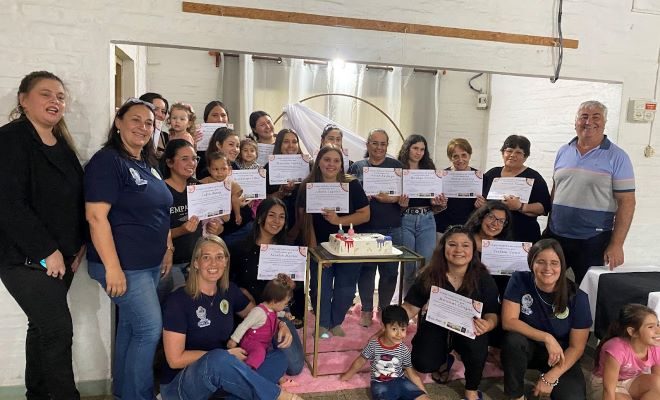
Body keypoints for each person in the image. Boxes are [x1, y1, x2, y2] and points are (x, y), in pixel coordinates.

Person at [0, 71, 86, 400]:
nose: (55, 101)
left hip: (61, 259)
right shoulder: (10, 139)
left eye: (60, 96)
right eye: (46, 94)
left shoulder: (61, 144)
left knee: (40, 329)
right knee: (56, 330)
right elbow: (8, 204)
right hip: (24, 258)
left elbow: (73, 199)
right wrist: (46, 249)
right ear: (23, 100)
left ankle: (36, 395)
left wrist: (78, 245)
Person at [85, 97, 174, 400]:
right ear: (119, 123)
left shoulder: (148, 164)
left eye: (149, 123)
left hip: (148, 264)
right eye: (135, 119)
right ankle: (140, 395)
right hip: (123, 265)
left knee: (131, 328)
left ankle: (124, 392)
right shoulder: (108, 161)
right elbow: (96, 217)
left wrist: (167, 246)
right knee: (149, 329)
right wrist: (112, 267)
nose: (143, 127)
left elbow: (159, 210)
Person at [160, 235, 302, 400]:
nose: (214, 263)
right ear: (196, 263)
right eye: (207, 257)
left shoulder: (229, 291)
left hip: (222, 376)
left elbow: (258, 315)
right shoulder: (178, 300)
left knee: (278, 358)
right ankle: (278, 396)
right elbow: (175, 360)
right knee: (218, 359)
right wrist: (226, 357)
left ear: (226, 262)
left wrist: (280, 324)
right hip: (182, 384)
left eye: (219, 257)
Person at [402, 225, 499, 400]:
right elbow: (410, 307)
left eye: (465, 245)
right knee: (422, 363)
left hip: (470, 330)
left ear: (473, 249)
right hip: (435, 327)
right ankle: (443, 360)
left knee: (478, 347)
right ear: (443, 247)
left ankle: (471, 389)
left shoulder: (483, 278)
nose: (458, 250)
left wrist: (488, 324)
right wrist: (390, 323)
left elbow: (493, 313)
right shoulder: (429, 275)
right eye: (452, 244)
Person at [545, 100, 636, 284]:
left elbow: (628, 202)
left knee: (586, 292)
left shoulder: (617, 157)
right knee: (546, 285)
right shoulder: (564, 151)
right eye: (584, 117)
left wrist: (616, 244)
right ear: (576, 121)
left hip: (593, 240)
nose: (589, 122)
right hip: (556, 235)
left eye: (596, 117)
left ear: (604, 122)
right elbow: (557, 188)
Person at [501, 238, 592, 400]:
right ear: (531, 263)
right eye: (541, 262)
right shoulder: (519, 280)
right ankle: (515, 396)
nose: (548, 268)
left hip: (561, 354)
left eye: (554, 263)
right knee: (513, 340)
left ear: (562, 266)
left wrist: (550, 378)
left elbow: (577, 348)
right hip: (528, 347)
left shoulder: (578, 297)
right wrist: (547, 337)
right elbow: (509, 321)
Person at [296, 145, 370, 338]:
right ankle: (322, 323)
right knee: (321, 287)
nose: (331, 164)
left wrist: (339, 221)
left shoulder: (352, 185)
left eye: (336, 161)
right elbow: (306, 222)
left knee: (345, 289)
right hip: (321, 246)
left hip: (348, 247)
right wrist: (315, 251)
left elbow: (365, 215)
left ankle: (336, 321)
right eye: (327, 159)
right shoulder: (308, 186)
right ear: (318, 162)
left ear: (342, 164)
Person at [230, 198, 305, 375]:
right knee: (253, 356)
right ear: (260, 217)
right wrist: (241, 294)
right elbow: (229, 284)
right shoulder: (240, 247)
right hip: (250, 312)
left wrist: (292, 285)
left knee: (294, 366)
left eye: (281, 217)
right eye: (271, 215)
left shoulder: (288, 249)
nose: (276, 221)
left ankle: (269, 344)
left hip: (277, 313)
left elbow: (299, 286)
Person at [348, 129, 404, 327]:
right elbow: (349, 197)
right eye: (375, 143)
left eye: (383, 144)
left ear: (387, 146)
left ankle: (384, 309)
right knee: (366, 270)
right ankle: (365, 309)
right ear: (367, 144)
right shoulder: (356, 167)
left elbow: (403, 199)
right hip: (365, 228)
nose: (379, 148)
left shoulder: (397, 167)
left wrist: (392, 198)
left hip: (392, 227)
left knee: (390, 271)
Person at [340, 305, 430, 400]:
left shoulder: (404, 349)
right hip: (380, 384)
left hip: (401, 382)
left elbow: (411, 373)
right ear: (383, 327)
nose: (399, 334)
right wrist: (347, 376)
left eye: (403, 329)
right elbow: (360, 361)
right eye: (394, 329)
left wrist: (424, 393)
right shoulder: (373, 345)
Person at [476, 135, 551, 244]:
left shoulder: (534, 177)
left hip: (523, 235)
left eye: (518, 152)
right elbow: (481, 198)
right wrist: (481, 204)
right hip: (492, 235)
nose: (512, 155)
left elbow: (544, 208)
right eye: (509, 151)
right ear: (503, 153)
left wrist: (520, 206)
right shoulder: (492, 174)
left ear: (525, 157)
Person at [397, 134, 446, 297]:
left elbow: (438, 206)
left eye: (422, 149)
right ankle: (406, 304)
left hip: (427, 218)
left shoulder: (430, 171)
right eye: (415, 148)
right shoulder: (398, 170)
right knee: (409, 265)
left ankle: (422, 304)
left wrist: (438, 202)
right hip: (406, 219)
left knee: (426, 263)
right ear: (407, 148)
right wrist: (401, 205)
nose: (419, 152)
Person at [158, 139, 205, 302]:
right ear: (170, 162)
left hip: (196, 263)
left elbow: (212, 225)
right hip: (170, 265)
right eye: (184, 159)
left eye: (194, 158)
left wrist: (214, 227)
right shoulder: (160, 190)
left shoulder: (198, 188)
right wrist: (182, 230)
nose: (191, 163)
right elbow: (156, 231)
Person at [590, 304, 660, 400]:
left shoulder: (655, 347)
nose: (658, 330)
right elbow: (608, 390)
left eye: (658, 325)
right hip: (605, 385)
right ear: (632, 332)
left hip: (631, 381)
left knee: (657, 382)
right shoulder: (616, 349)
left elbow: (657, 379)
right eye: (650, 327)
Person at [228, 273, 296, 370]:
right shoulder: (258, 312)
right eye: (284, 304)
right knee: (259, 353)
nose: (285, 306)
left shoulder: (272, 309)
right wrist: (234, 340)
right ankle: (247, 370)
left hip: (264, 342)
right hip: (252, 342)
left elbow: (276, 314)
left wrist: (285, 314)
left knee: (272, 354)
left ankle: (268, 372)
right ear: (274, 301)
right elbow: (244, 325)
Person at [435, 138, 478, 240]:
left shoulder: (481, 178)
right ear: (450, 158)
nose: (460, 160)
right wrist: (439, 204)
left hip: (470, 230)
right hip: (443, 229)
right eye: (455, 156)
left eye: (464, 155)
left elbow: (485, 208)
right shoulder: (440, 177)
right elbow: (434, 208)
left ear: (469, 155)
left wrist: (482, 205)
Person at [266, 128, 307, 235]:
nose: (291, 146)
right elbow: (263, 201)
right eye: (286, 142)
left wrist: (297, 228)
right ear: (279, 144)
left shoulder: (308, 168)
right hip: (273, 226)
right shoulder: (268, 168)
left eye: (294, 142)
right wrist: (281, 193)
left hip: (302, 226)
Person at [196, 100, 229, 178]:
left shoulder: (234, 141)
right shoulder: (197, 141)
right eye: (215, 115)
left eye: (223, 115)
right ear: (206, 119)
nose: (220, 119)